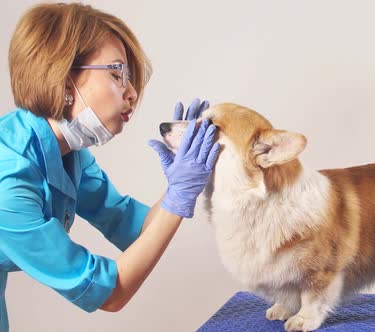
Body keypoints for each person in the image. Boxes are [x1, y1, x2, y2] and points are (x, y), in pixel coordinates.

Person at [0, 3, 219, 331]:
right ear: (62, 77)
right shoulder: (9, 178)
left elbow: (134, 228)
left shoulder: (66, 152)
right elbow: (109, 293)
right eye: (117, 74)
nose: (132, 93)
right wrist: (179, 194)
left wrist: (181, 181)